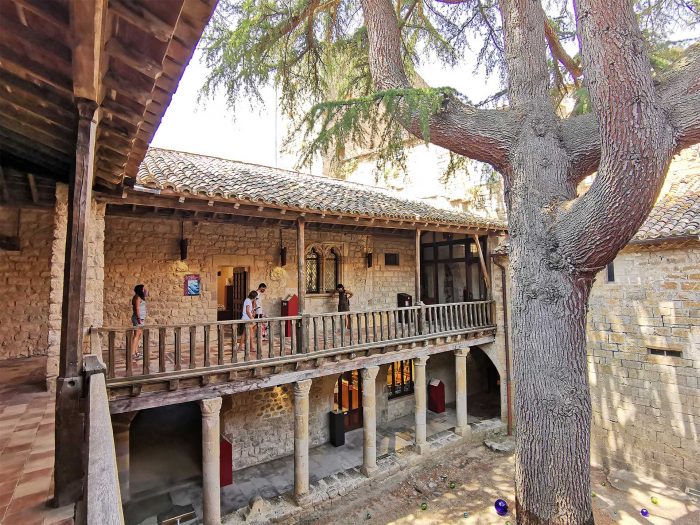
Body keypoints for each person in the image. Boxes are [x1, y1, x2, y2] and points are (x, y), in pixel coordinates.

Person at [130, 284, 147, 360]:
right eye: (143, 289)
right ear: (140, 290)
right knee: (136, 335)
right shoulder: (137, 297)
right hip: (138, 319)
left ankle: (136, 352)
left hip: (140, 319)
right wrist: (139, 319)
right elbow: (137, 308)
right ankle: (132, 354)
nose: (144, 290)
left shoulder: (139, 297)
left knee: (138, 335)